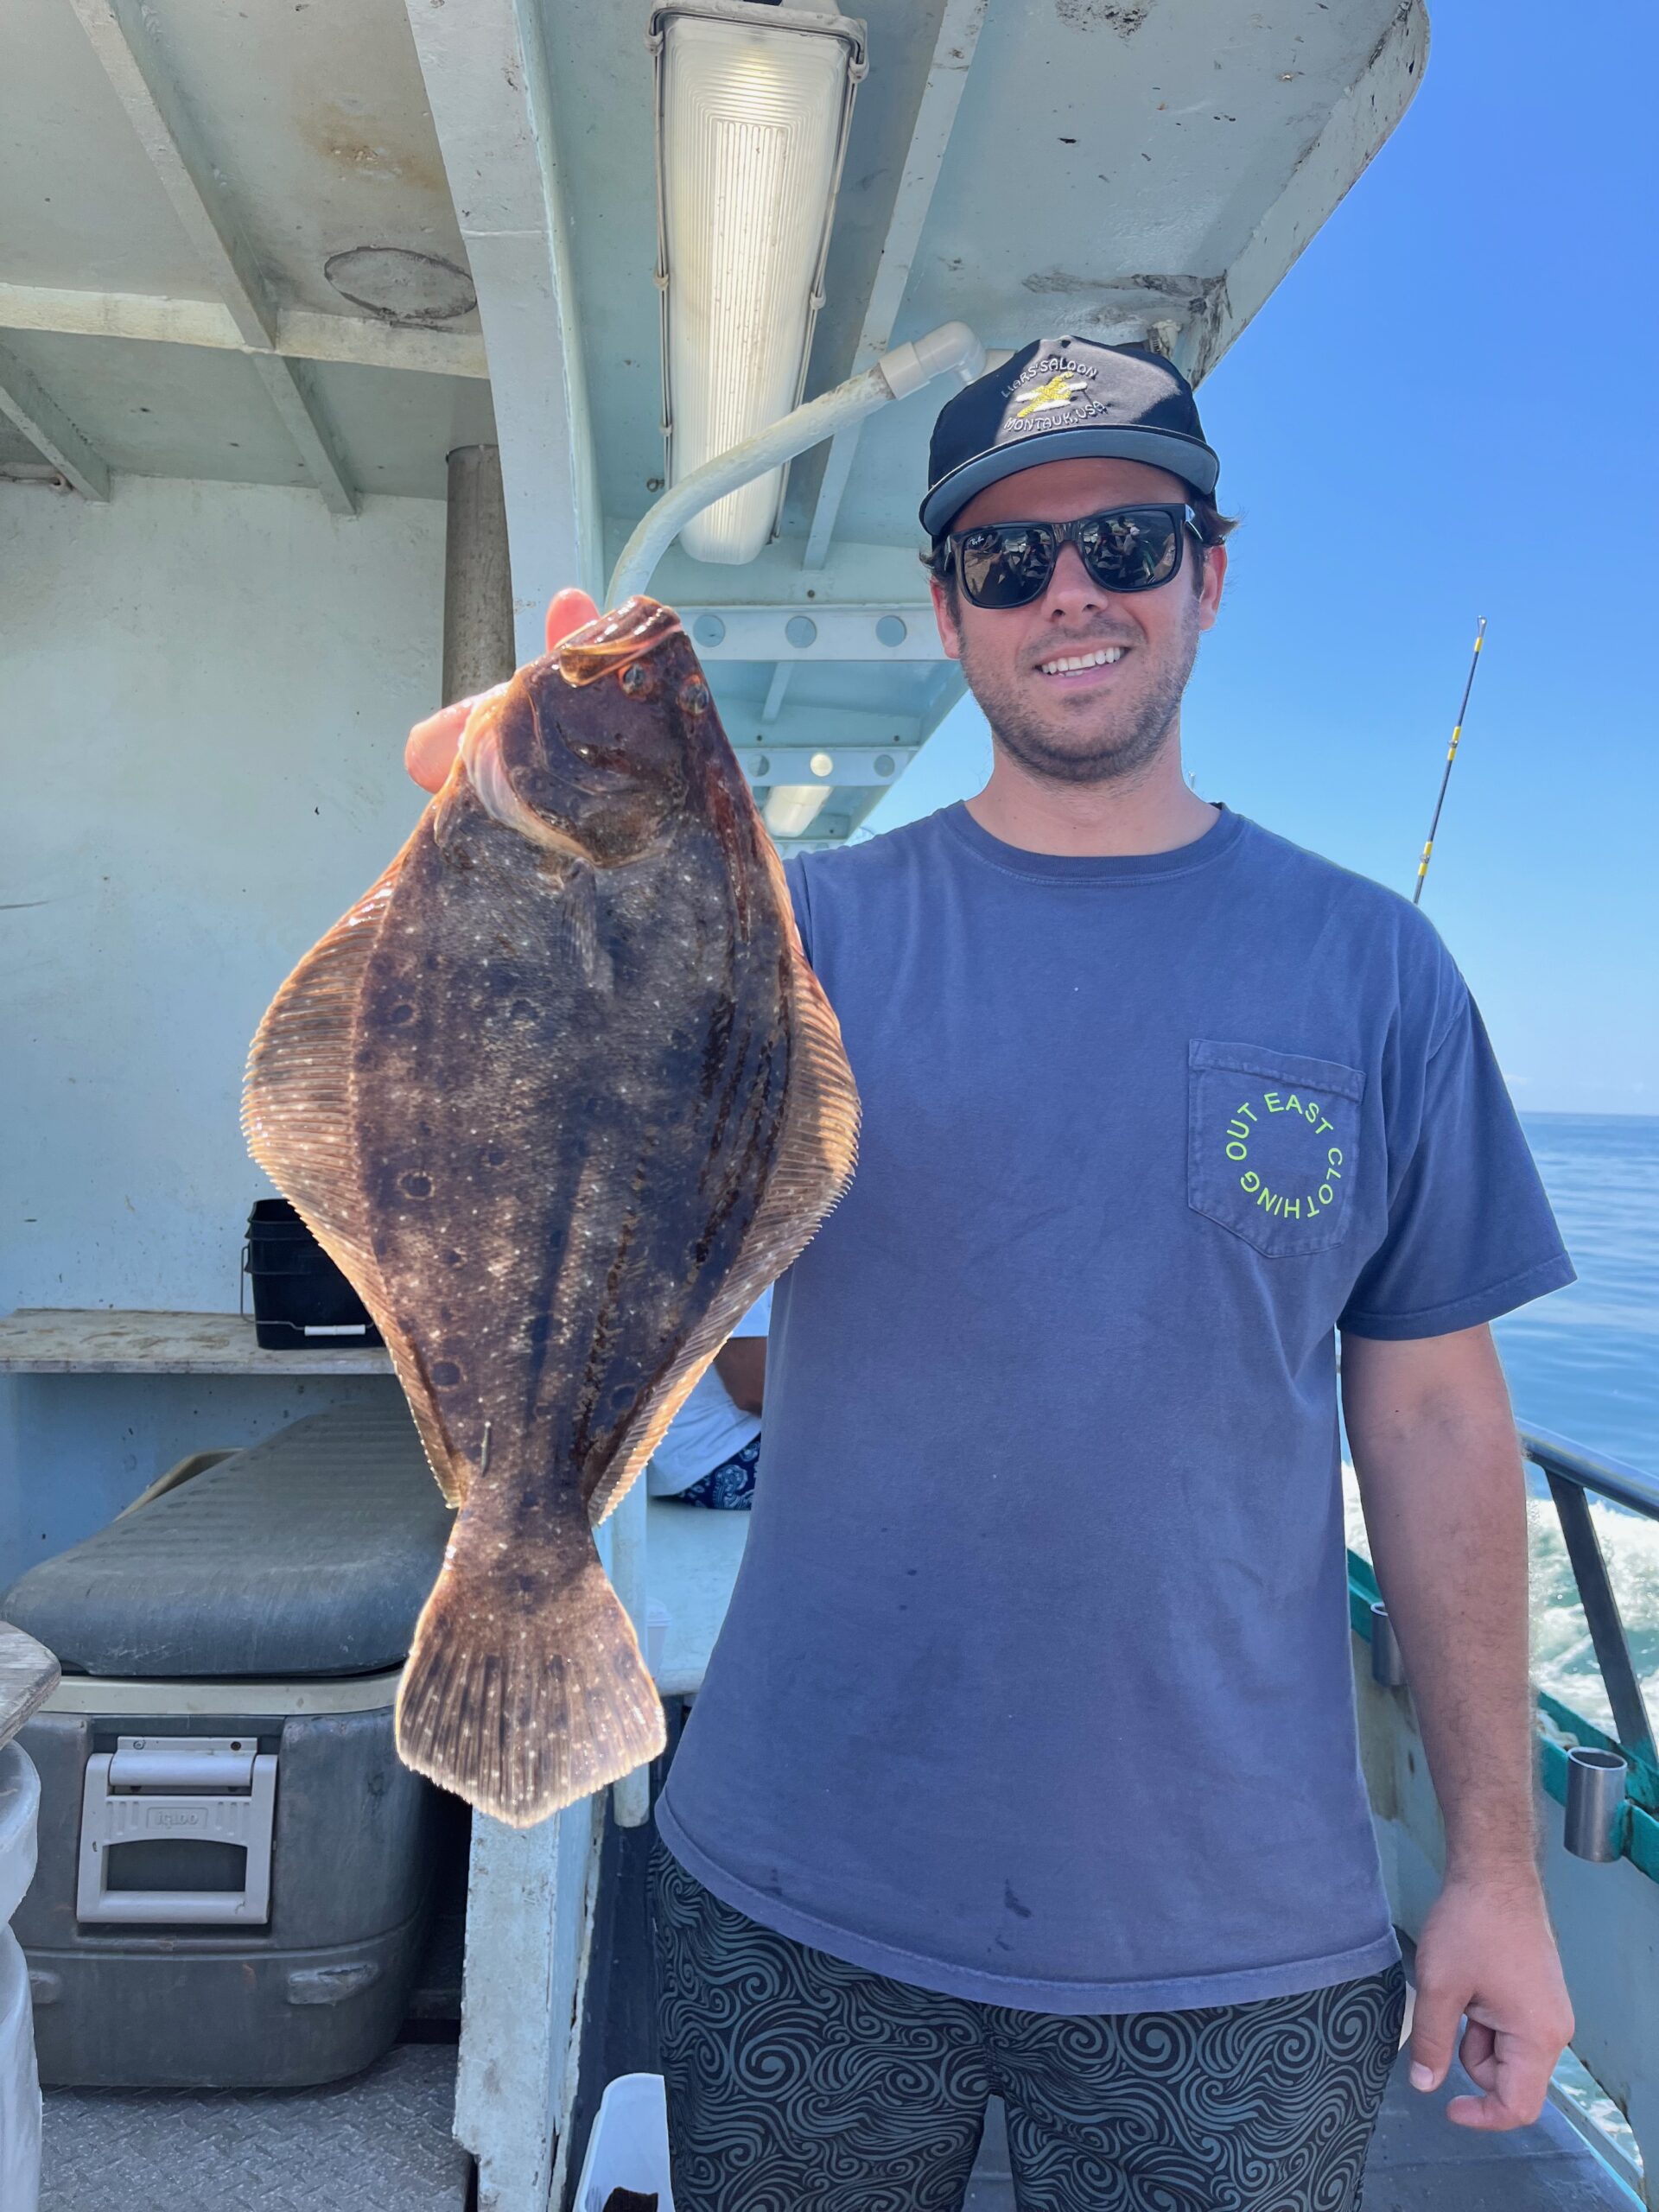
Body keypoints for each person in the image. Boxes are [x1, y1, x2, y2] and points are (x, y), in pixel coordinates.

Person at [407, 338, 1577, 2212]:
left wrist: (1500, 1869)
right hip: (795, 1885)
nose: (1074, 594)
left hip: (1241, 1942)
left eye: (1124, 537)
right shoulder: (804, 936)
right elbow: (547, 1050)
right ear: (947, 615)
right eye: (1009, 561)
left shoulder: (1379, 973)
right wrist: (497, 810)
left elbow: (1436, 1411)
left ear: (1210, 566)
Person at [648, 1288, 771, 1510]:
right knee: (850, 1474)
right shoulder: (741, 1266)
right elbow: (754, 1393)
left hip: (720, 1448)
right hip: (718, 1456)